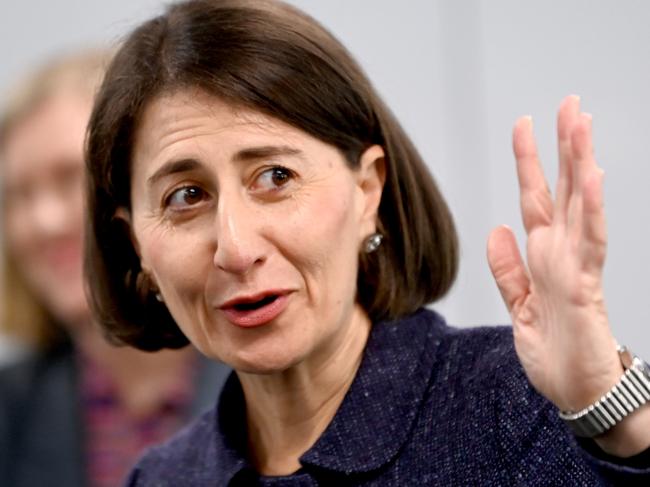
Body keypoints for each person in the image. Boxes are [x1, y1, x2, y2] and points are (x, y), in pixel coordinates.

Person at [84, 0, 650, 484]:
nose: (235, 248)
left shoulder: (509, 402)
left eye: (275, 177)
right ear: (136, 244)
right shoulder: (163, 477)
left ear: (367, 190)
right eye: (186, 197)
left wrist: (617, 415)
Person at [0, 50, 230, 487]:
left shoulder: (268, 373)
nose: (42, 221)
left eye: (69, 177)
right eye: (19, 195)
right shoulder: (10, 412)